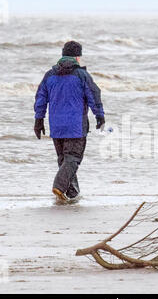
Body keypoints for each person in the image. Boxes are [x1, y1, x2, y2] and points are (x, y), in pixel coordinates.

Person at [34, 41, 105, 201]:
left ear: (62, 54)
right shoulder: (81, 75)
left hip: (56, 126)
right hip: (75, 126)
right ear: (78, 57)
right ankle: (59, 186)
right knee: (73, 158)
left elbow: (40, 98)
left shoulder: (49, 75)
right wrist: (99, 115)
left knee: (64, 160)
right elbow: (94, 95)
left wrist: (39, 120)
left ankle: (72, 194)